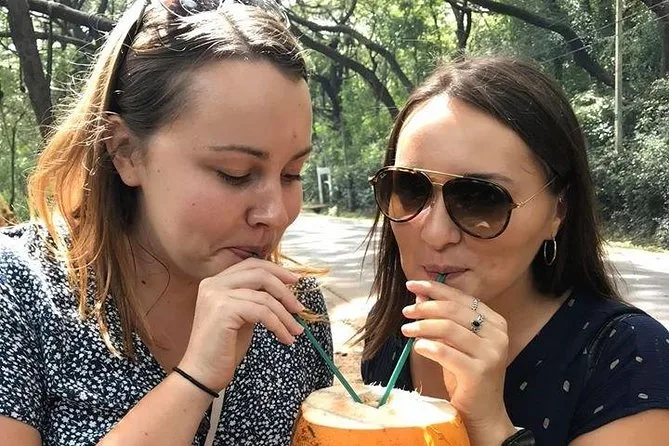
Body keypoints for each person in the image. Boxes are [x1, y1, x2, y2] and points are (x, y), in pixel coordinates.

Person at [0, 1, 333, 445]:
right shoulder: (19, 289)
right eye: (234, 173)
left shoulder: (293, 310)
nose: (275, 213)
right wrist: (194, 380)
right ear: (125, 151)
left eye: (292, 174)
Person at [360, 57, 669, 446]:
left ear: (559, 210)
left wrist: (489, 424)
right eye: (409, 189)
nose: (435, 234)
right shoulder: (393, 331)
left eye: (480, 199)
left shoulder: (627, 360)